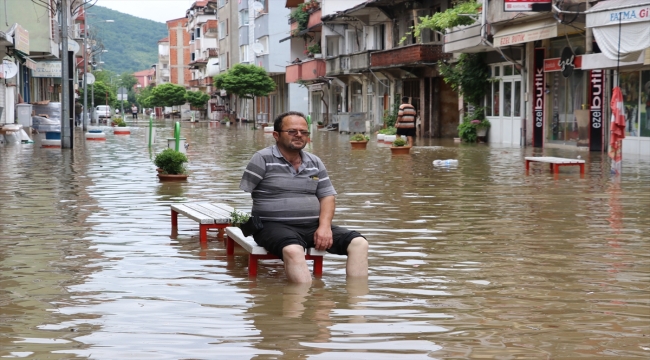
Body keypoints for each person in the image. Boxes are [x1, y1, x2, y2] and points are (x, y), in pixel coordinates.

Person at [240, 111, 369, 283]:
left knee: (359, 243)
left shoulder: (314, 162)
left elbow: (327, 196)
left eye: (304, 132)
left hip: (312, 227)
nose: (299, 135)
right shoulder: (262, 159)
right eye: (292, 131)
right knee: (293, 249)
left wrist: (325, 227)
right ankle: (306, 302)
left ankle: (356, 302)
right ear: (276, 135)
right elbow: (248, 190)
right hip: (272, 227)